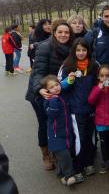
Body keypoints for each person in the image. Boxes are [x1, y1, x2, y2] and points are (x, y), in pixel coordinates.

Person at [26, 19, 73, 171]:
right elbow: (37, 72)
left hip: (58, 91)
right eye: (60, 32)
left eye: (66, 32)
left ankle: (59, 151)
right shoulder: (45, 47)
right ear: (54, 33)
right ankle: (46, 154)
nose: (63, 35)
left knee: (58, 123)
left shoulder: (71, 47)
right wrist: (39, 89)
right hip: (41, 92)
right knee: (45, 123)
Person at [59, 38, 99, 182]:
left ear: (88, 51)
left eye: (84, 50)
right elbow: (60, 87)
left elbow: (98, 84)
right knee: (80, 139)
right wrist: (68, 81)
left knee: (92, 137)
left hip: (92, 109)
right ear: (73, 51)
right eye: (78, 50)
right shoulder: (67, 66)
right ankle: (78, 167)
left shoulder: (94, 65)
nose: (81, 53)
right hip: (76, 109)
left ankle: (89, 163)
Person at [42, 75, 76, 186]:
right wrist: (53, 102)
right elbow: (52, 114)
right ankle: (69, 175)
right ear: (47, 91)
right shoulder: (49, 101)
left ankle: (61, 175)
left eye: (57, 85)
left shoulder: (62, 95)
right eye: (52, 87)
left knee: (63, 156)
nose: (56, 88)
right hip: (56, 135)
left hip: (66, 133)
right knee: (64, 155)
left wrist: (70, 79)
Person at [88, 64, 109, 174]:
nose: (104, 78)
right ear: (98, 77)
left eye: (107, 75)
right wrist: (99, 89)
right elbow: (91, 100)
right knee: (103, 142)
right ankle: (105, 161)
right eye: (102, 76)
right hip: (100, 122)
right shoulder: (96, 88)